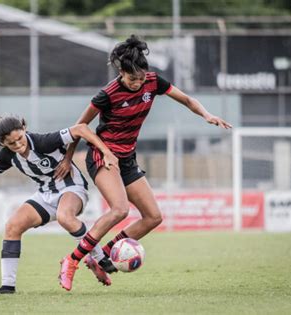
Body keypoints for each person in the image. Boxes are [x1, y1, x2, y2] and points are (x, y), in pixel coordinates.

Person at [55, 35, 233, 291]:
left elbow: (186, 100)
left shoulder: (152, 82)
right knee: (120, 210)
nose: (138, 83)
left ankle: (104, 256)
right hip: (102, 155)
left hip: (127, 158)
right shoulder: (108, 94)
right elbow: (80, 126)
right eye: (132, 78)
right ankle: (71, 261)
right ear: (121, 72)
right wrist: (69, 157)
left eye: (141, 77)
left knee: (153, 217)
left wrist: (207, 114)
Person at [0, 115, 120, 294]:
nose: (18, 145)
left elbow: (81, 129)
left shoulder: (42, 141)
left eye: (20, 139)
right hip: (46, 194)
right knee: (12, 226)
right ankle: (7, 286)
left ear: (24, 129)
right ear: (3, 143)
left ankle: (99, 257)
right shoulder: (7, 155)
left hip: (72, 187)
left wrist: (105, 151)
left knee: (65, 217)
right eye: (11, 143)